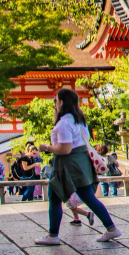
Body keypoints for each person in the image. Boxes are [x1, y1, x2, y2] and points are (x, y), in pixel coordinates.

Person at [34, 88, 121, 246]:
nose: (54, 104)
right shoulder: (80, 119)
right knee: (88, 197)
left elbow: (65, 148)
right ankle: (111, 227)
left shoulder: (64, 123)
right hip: (81, 161)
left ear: (61, 102)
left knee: (54, 197)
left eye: (56, 101)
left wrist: (46, 147)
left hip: (68, 164)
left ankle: (53, 235)